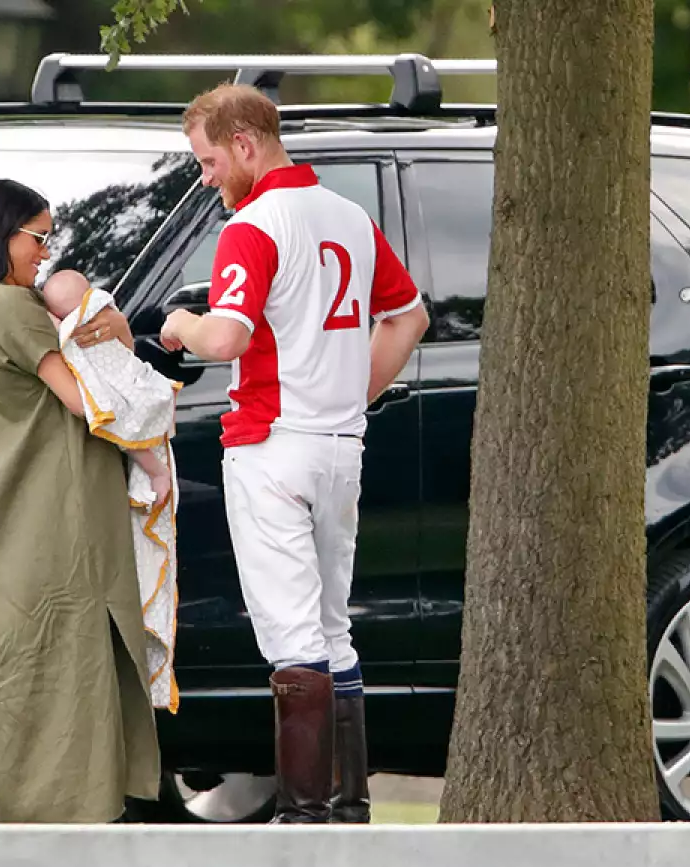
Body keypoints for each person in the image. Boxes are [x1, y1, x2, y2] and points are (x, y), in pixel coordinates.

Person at [160, 84, 431, 823]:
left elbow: (227, 337)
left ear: (245, 144)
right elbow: (409, 318)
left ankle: (306, 814)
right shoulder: (349, 215)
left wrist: (182, 322)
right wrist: (350, 392)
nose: (207, 178)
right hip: (340, 444)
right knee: (334, 627)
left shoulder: (253, 225)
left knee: (292, 634)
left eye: (210, 161)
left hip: (271, 444)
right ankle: (346, 806)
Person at [0, 179, 160, 824]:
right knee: (69, 673)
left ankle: (36, 821)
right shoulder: (10, 307)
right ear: (2, 235)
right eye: (38, 237)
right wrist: (120, 342)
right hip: (48, 522)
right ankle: (71, 822)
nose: (46, 253)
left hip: (5, 522)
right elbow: (89, 401)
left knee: (27, 678)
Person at [43, 267, 182, 712]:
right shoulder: (84, 326)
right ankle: (156, 474)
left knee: (135, 432)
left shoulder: (89, 324)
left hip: (123, 412)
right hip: (125, 420)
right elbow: (98, 397)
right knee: (138, 435)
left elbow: (100, 389)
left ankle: (156, 474)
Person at [43, 268, 175, 509]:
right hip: (134, 387)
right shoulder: (104, 309)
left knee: (127, 430)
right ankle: (157, 473)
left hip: (123, 390)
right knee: (133, 431)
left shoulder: (81, 323)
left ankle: (157, 473)